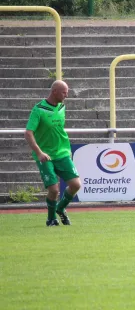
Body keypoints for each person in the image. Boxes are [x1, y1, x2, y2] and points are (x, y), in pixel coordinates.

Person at [25, 80, 81, 227]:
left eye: (67, 92)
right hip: (45, 155)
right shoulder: (39, 109)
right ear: (54, 91)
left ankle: (60, 208)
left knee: (76, 184)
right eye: (64, 92)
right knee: (54, 190)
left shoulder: (62, 107)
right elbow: (28, 133)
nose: (67, 95)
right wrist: (39, 152)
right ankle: (51, 219)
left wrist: (66, 149)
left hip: (62, 153)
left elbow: (59, 131)